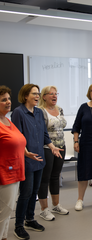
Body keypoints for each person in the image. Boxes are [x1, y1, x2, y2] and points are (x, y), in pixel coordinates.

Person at [11, 84, 63, 240]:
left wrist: (52, 147)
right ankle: (18, 225)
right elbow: (17, 137)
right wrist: (26, 152)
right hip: (26, 159)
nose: (37, 96)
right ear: (25, 95)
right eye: (34, 93)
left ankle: (30, 219)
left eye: (38, 93)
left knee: (34, 192)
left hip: (40, 157)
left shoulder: (39, 112)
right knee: (25, 193)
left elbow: (45, 134)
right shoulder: (18, 113)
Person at [37, 86, 68, 221]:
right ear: (44, 96)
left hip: (61, 146)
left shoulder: (59, 109)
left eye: (56, 94)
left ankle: (56, 205)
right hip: (47, 148)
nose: (54, 96)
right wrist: (50, 145)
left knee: (55, 176)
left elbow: (62, 125)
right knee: (45, 178)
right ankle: (44, 209)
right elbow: (41, 131)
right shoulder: (40, 111)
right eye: (51, 94)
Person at [0, 86, 26, 240]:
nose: (8, 102)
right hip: (4, 173)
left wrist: (27, 152)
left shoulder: (7, 120)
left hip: (15, 170)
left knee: (6, 212)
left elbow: (17, 141)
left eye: (9, 98)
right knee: (4, 212)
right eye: (3, 100)